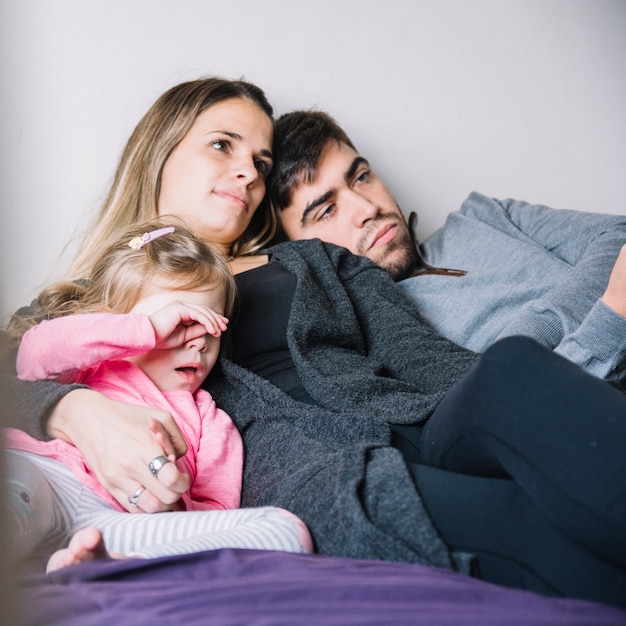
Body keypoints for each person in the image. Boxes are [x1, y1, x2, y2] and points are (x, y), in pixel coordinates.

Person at [2, 77, 626, 609]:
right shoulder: (83, 301)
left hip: (419, 422)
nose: (248, 172)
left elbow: (427, 361)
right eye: (223, 145)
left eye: (261, 162)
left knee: (511, 371)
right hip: (331, 477)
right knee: (539, 533)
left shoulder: (313, 260)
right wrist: (72, 409)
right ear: (160, 154)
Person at [3, 219, 312, 571]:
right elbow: (32, 356)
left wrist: (174, 504)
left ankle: (115, 566)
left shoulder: (210, 421)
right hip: (43, 477)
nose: (199, 342)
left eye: (212, 328)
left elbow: (216, 510)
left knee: (285, 531)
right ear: (114, 323)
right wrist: (148, 330)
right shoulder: (93, 365)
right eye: (181, 323)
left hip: (116, 524)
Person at [268, 110, 626, 387]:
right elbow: (520, 403)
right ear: (298, 250)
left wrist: (530, 333)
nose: (367, 208)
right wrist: (610, 315)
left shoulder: (481, 215)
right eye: (327, 210)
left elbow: (617, 234)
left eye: (361, 177)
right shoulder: (381, 338)